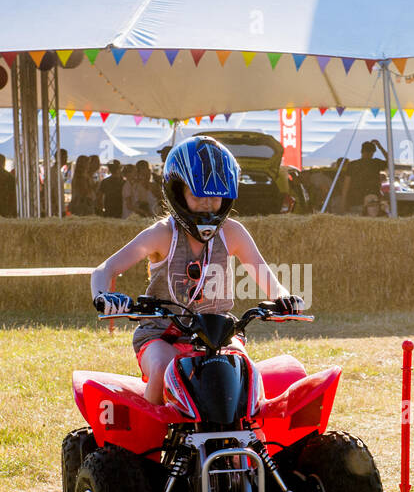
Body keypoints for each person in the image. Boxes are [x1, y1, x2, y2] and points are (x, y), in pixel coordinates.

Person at [90, 137, 302, 405]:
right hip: (161, 335)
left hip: (217, 334)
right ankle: (154, 439)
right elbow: (105, 269)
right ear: (178, 193)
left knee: (246, 372)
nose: (207, 203)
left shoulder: (232, 233)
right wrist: (103, 296)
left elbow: (265, 276)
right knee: (163, 370)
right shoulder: (163, 234)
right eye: (198, 195)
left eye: (215, 196)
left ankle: (253, 441)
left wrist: (283, 297)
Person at [342, 140, 387, 213]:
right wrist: (380, 147)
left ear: (361, 151)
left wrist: (343, 202)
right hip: (372, 201)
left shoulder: (353, 164)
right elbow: (390, 161)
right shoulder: (376, 163)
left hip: (356, 200)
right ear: (373, 152)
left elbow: (346, 184)